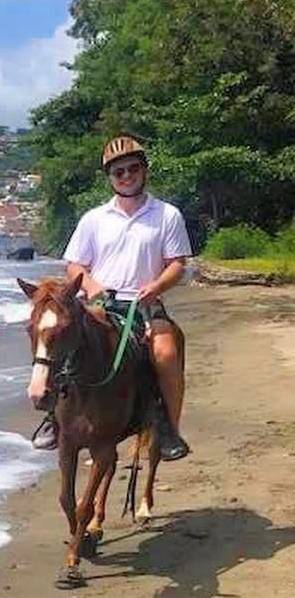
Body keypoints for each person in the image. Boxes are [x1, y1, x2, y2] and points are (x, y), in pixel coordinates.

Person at [32, 135, 192, 460]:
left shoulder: (167, 215)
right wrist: (92, 286)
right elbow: (75, 264)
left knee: (166, 352)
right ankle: (53, 417)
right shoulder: (94, 219)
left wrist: (156, 287)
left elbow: (177, 263)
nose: (126, 176)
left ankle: (168, 429)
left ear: (144, 170)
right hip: (99, 304)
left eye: (133, 168)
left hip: (144, 303)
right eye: (119, 172)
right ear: (110, 177)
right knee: (60, 341)